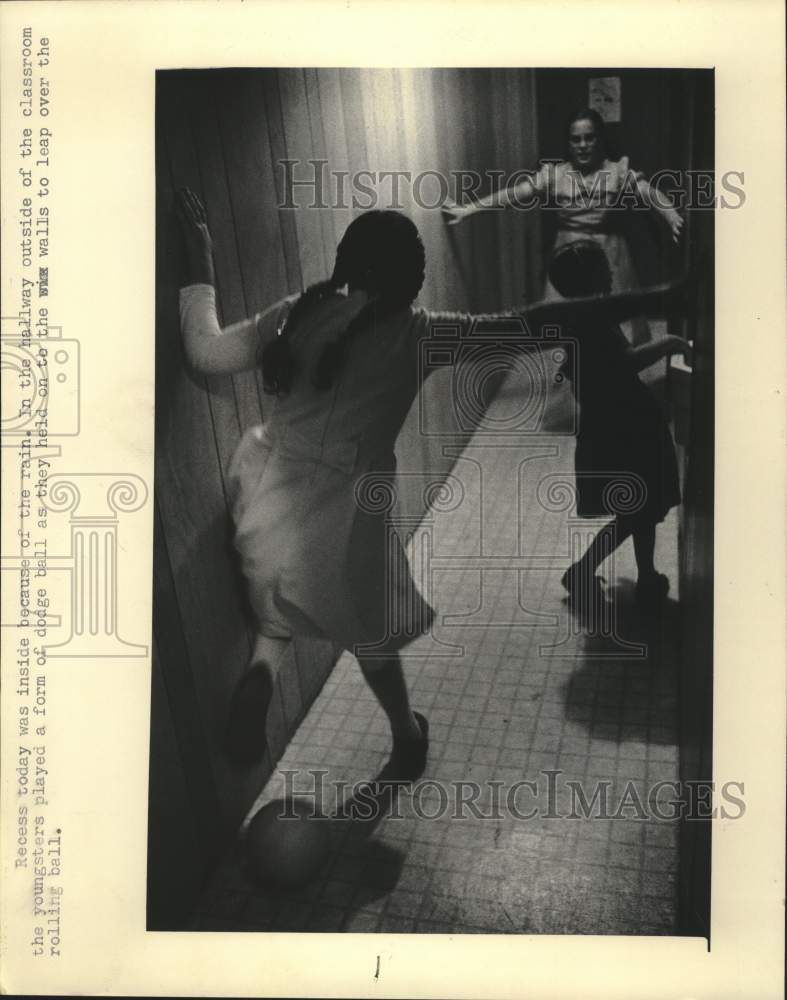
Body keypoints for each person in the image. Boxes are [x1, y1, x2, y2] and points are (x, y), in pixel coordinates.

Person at [175, 189, 691, 782]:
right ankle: (406, 736)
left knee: (279, 599)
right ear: (412, 281)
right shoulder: (420, 334)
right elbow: (541, 323)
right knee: (369, 632)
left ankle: (262, 673)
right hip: (343, 516)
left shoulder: (296, 311)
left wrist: (200, 263)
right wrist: (656, 296)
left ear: (346, 263)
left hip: (264, 496)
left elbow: (205, 352)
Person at [442, 107, 683, 341]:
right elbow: (514, 194)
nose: (583, 145)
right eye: (576, 139)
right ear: (568, 143)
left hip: (610, 256)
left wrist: (671, 215)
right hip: (568, 256)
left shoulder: (617, 171)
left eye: (589, 138)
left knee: (615, 327)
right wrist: (469, 208)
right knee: (568, 326)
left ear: (600, 139)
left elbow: (648, 192)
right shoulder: (555, 175)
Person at [546, 239, 690, 610]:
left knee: (641, 507)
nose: (611, 272)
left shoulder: (582, 317)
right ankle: (585, 569)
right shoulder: (591, 321)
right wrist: (670, 343)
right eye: (603, 268)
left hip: (614, 423)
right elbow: (623, 363)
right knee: (639, 509)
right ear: (589, 278)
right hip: (624, 426)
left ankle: (646, 576)